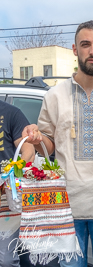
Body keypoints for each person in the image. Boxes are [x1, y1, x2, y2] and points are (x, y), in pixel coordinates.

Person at [22, 20, 93, 267]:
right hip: (66, 207)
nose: (92, 51)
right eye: (85, 44)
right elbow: (49, 147)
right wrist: (37, 139)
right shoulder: (54, 95)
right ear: (74, 49)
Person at [0, 101, 35, 267]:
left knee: (6, 260)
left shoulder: (11, 114)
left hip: (6, 200)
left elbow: (28, 151)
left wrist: (11, 172)